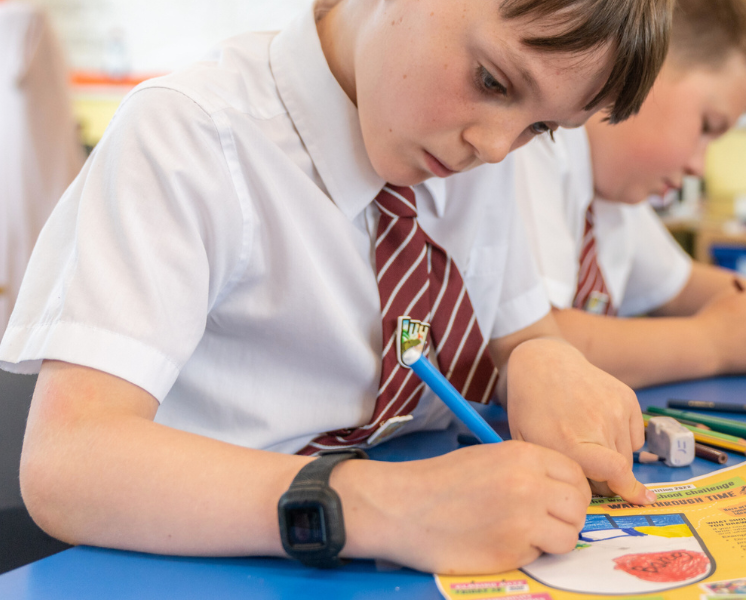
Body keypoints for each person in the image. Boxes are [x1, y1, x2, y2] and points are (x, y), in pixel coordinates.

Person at [2, 0, 670, 575]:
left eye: (541, 128)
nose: (496, 147)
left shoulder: (472, 152)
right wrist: (390, 507)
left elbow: (520, 328)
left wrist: (540, 359)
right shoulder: (188, 137)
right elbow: (67, 464)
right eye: (492, 79)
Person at [512, 0, 746, 389]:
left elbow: (683, 285)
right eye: (707, 125)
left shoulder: (614, 198)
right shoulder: (534, 146)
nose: (698, 167)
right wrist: (714, 343)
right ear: (649, 61)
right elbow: (538, 341)